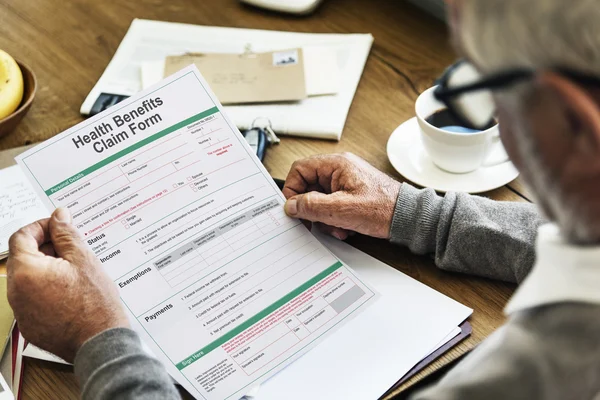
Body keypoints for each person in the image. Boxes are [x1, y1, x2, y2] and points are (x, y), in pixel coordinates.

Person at [7, 0, 600, 398]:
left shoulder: (547, 369)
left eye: (483, 88)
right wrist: (418, 214)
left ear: (576, 122)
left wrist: (98, 341)